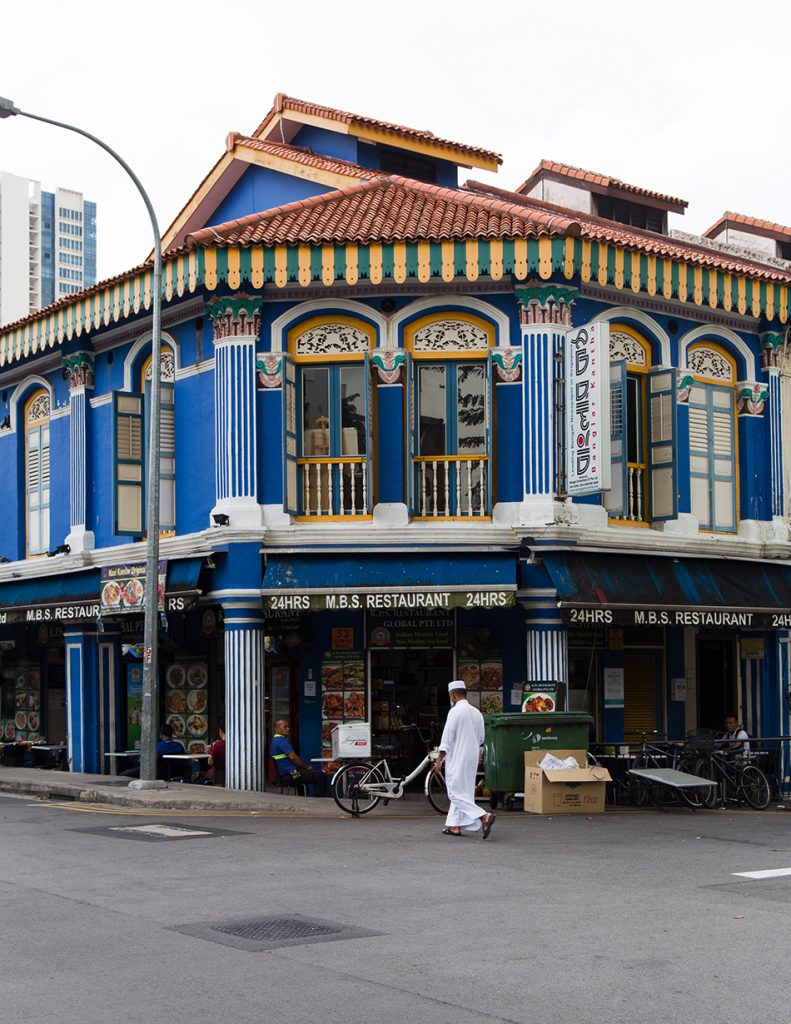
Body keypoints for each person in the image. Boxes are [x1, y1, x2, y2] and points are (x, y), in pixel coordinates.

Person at [434, 681, 495, 839]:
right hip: (472, 757)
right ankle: (455, 826)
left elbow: (447, 739)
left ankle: (483, 816)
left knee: (455, 792)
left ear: (453, 695)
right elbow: (481, 738)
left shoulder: (455, 712)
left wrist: (439, 760)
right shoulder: (476, 713)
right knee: (464, 791)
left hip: (458, 757)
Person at [270, 719, 327, 797]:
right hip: (291, 775)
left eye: (288, 726)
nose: (288, 729)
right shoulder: (281, 741)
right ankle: (318, 800)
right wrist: (306, 767)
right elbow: (293, 757)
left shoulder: (275, 741)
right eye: (285, 727)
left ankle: (302, 797)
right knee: (321, 776)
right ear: (276, 729)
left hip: (285, 775)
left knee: (305, 774)